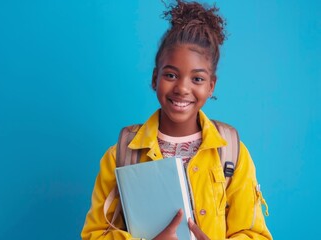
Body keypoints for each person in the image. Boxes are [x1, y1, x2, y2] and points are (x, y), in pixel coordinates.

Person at [81, 1, 272, 239]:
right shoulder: (120, 155)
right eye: (171, 75)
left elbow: (255, 233)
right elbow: (94, 234)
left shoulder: (232, 153)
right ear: (155, 78)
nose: (182, 88)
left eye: (197, 79)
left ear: (211, 86)